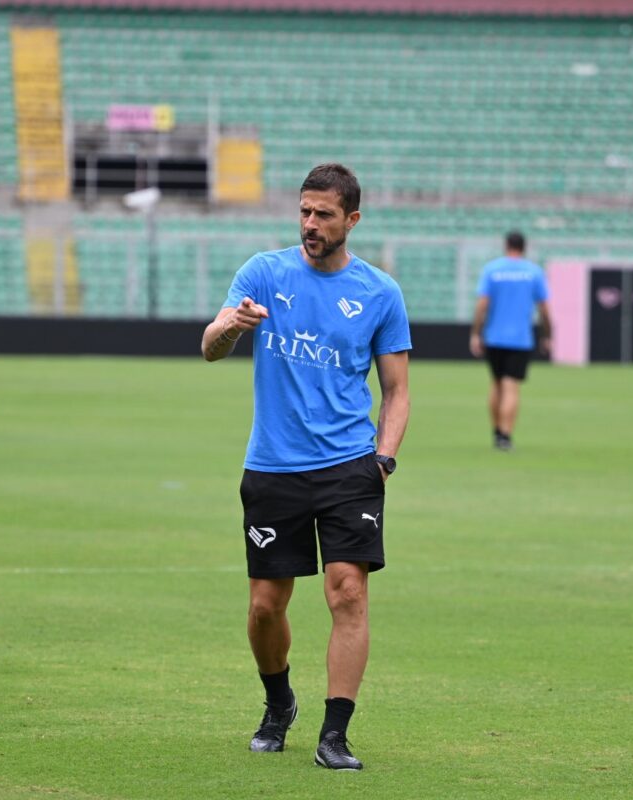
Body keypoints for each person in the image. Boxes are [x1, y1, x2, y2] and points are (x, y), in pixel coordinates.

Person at [202, 163, 411, 771]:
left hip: (351, 466)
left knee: (347, 594)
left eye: (323, 214)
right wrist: (230, 329)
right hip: (272, 466)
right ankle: (278, 703)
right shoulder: (263, 273)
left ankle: (335, 734)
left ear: (352, 219)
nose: (310, 224)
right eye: (303, 212)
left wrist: (385, 459)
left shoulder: (380, 292)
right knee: (266, 605)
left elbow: (396, 390)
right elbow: (209, 345)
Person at [469, 231, 551, 451]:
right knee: (511, 385)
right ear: (524, 247)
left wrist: (476, 332)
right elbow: (544, 308)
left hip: (494, 336)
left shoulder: (492, 269)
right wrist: (547, 335)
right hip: (520, 338)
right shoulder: (533, 272)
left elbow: (482, 304)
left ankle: (496, 431)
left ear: (506, 245)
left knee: (496, 383)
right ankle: (505, 435)